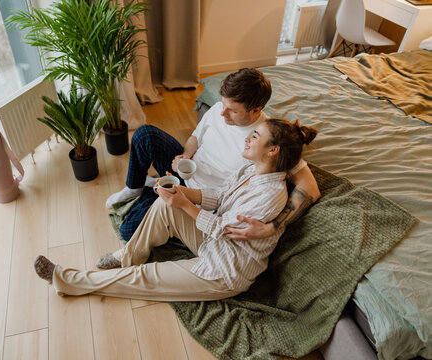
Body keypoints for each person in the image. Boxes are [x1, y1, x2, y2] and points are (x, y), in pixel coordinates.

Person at [33, 119, 318, 301]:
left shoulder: (271, 195)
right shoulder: (249, 168)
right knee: (163, 205)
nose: (247, 138)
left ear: (273, 151)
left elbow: (225, 230)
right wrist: (183, 193)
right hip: (212, 244)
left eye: (255, 136)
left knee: (146, 278)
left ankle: (66, 280)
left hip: (225, 270)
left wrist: (184, 205)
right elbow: (218, 197)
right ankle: (129, 256)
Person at [105, 68, 320, 242]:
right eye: (223, 104)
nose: (222, 113)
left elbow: (311, 188)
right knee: (145, 134)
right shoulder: (219, 108)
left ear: (256, 109)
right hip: (186, 171)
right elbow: (195, 138)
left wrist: (272, 227)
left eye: (233, 111)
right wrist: (186, 155)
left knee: (128, 230)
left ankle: (155, 189)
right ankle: (134, 188)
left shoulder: (270, 136)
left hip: (203, 198)